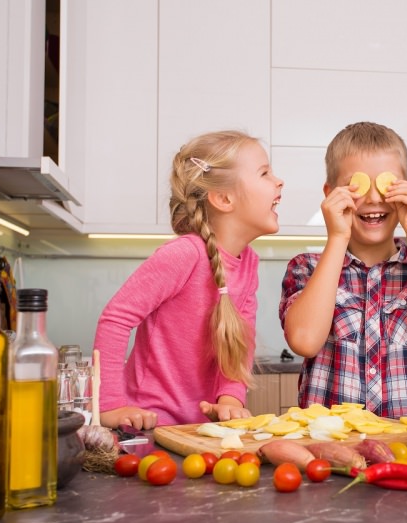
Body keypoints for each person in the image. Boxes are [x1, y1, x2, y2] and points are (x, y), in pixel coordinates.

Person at [278, 121, 407, 418]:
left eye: (387, 184)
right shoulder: (306, 267)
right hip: (330, 447)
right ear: (330, 193)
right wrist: (338, 237)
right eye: (357, 186)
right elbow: (304, 340)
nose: (373, 198)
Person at [94, 130, 284, 429]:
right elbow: (115, 319)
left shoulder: (248, 263)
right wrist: (109, 406)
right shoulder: (185, 254)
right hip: (147, 424)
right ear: (223, 198)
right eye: (264, 173)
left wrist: (230, 398)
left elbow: (238, 344)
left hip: (197, 429)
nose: (278, 180)